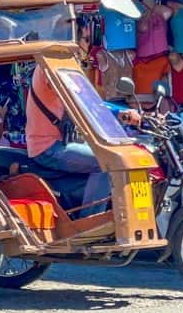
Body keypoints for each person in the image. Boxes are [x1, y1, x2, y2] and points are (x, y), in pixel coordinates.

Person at [26, 65, 137, 215]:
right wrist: (120, 111)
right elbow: (80, 102)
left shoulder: (67, 66)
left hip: (65, 142)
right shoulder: (49, 67)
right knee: (106, 161)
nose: (84, 46)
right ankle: (91, 221)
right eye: (84, 40)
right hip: (47, 147)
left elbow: (90, 101)